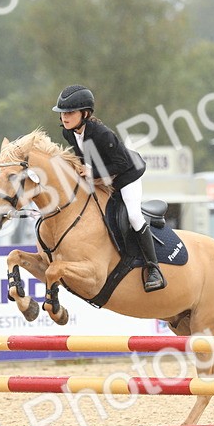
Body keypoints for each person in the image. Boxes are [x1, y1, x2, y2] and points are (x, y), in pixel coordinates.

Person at [52, 84, 165, 292]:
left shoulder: (102, 134)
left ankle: (154, 268)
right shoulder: (69, 133)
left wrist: (92, 172)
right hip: (102, 177)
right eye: (62, 114)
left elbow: (121, 164)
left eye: (70, 113)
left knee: (133, 216)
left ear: (85, 114)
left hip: (127, 175)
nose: (64, 118)